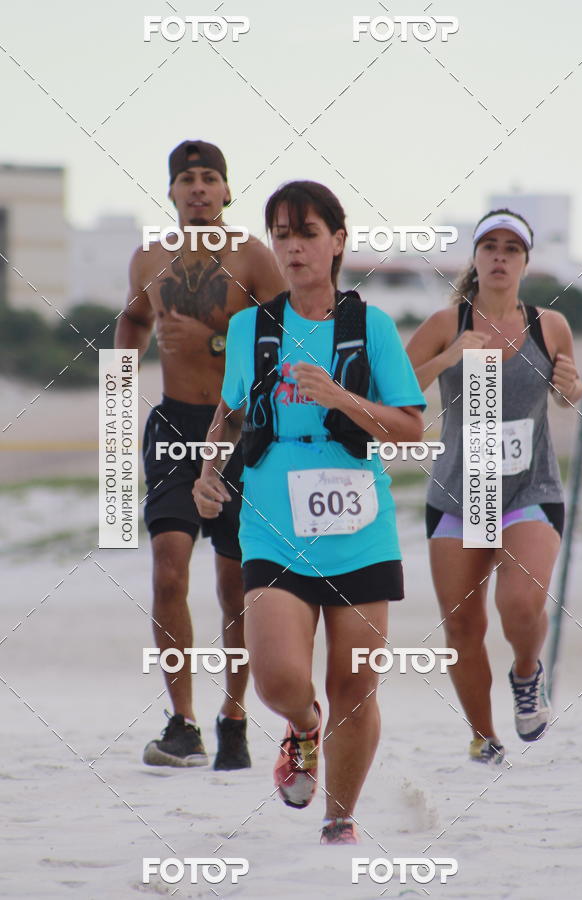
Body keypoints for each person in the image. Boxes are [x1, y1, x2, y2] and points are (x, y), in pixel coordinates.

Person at [192, 180, 426, 843]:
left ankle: (339, 822)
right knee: (277, 678)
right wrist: (209, 474)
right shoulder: (250, 327)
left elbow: (410, 427)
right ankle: (301, 726)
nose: (293, 247)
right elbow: (230, 415)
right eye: (282, 234)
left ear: (338, 241)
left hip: (359, 525)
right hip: (271, 517)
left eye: (307, 233)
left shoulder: (370, 326)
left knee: (355, 685)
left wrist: (341, 398)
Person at [114, 139, 286, 769]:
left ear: (226, 191)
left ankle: (233, 717)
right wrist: (120, 375)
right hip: (172, 427)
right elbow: (133, 320)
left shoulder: (254, 258)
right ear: (171, 193)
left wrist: (213, 340)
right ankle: (182, 723)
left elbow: (280, 341)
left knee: (234, 585)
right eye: (186, 179)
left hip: (239, 430)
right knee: (167, 570)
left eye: (209, 178)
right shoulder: (148, 259)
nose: (197, 188)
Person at [406, 209, 582, 763]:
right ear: (477, 259)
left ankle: (527, 674)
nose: (500, 256)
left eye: (512, 248)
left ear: (526, 262)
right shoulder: (446, 322)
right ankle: (484, 737)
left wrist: (571, 386)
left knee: (520, 603)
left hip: (530, 488)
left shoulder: (548, 325)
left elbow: (565, 393)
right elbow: (394, 391)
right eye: (491, 247)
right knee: (463, 625)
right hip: (460, 493)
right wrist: (447, 356)